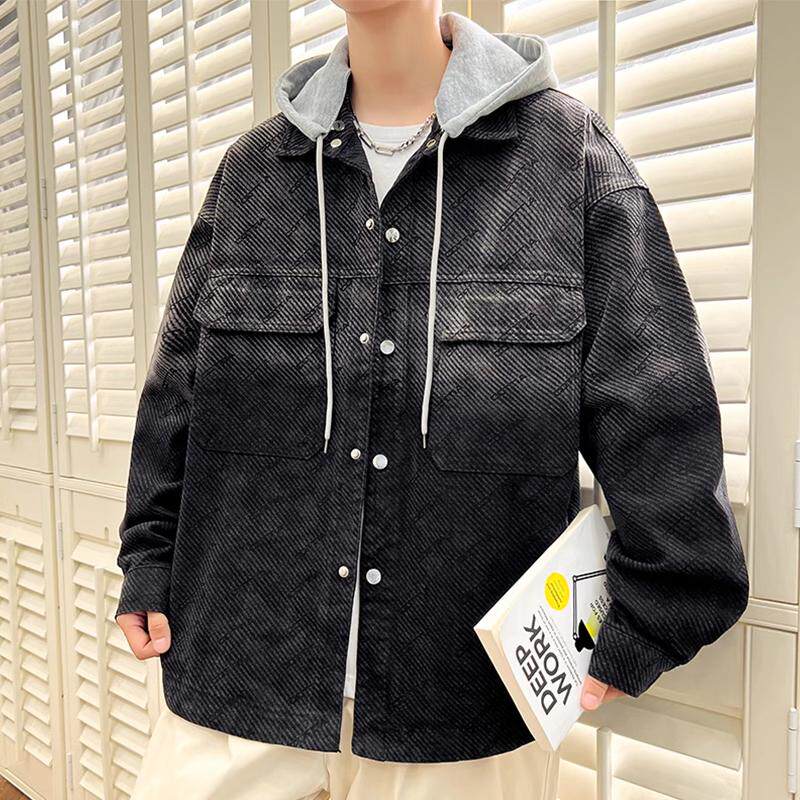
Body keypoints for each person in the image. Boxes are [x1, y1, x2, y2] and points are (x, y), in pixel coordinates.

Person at [115, 1, 750, 798]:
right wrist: (147, 560)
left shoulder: (567, 161)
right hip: (237, 676)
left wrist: (655, 610)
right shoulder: (253, 174)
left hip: (463, 710)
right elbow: (178, 391)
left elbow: (658, 405)